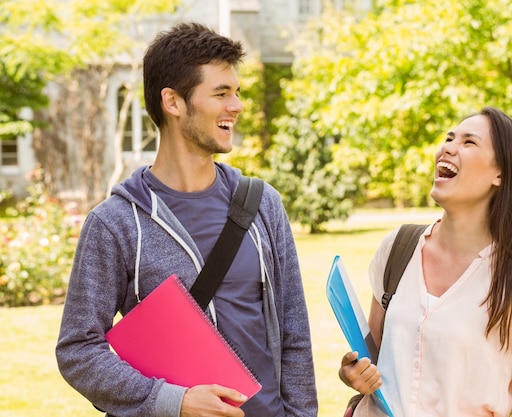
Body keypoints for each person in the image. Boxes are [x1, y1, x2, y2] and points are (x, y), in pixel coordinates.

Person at [56, 22, 317, 417]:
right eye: (221, 93)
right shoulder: (116, 223)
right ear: (173, 102)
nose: (237, 106)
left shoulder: (263, 203)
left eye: (238, 93)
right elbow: (78, 349)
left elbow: (294, 332)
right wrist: (172, 402)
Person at [338, 107, 512, 417]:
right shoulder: (398, 248)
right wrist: (353, 374)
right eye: (449, 138)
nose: (449, 147)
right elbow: (373, 359)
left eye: (469, 143)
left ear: (501, 174)